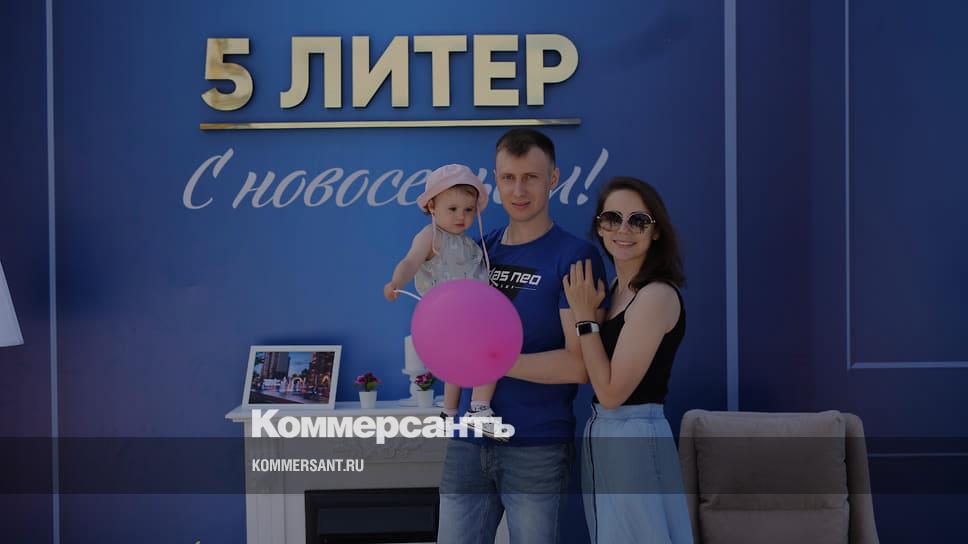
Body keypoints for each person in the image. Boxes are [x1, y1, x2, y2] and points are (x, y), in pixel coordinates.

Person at [436, 129, 608, 544]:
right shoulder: (481, 250)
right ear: (495, 179)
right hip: (469, 441)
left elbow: (579, 365)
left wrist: (493, 359)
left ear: (553, 179)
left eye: (531, 177)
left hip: (536, 446)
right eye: (509, 178)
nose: (518, 190)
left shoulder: (576, 258)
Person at [562, 176, 692, 543]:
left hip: (634, 436)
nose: (623, 229)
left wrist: (584, 318)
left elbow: (611, 393)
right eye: (612, 218)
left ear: (656, 231)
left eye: (638, 220)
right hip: (606, 435)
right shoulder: (617, 290)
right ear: (600, 228)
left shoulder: (655, 296)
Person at [383, 163, 505, 439]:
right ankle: (479, 407)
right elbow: (411, 261)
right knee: (492, 349)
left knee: (456, 367)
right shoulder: (432, 236)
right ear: (432, 207)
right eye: (452, 209)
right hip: (447, 315)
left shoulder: (470, 245)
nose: (461, 216)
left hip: (465, 314)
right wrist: (397, 282)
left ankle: (448, 412)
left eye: (469, 210)